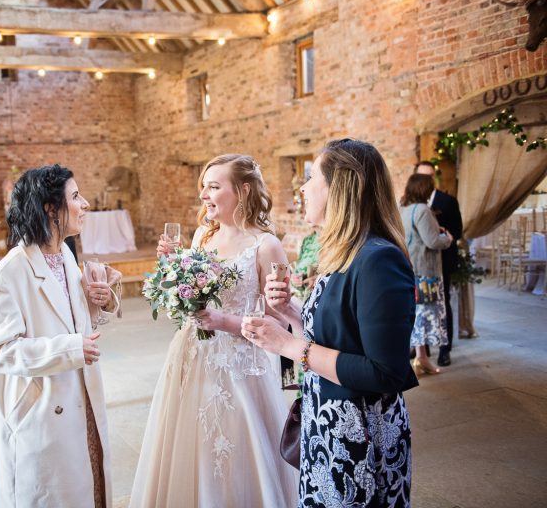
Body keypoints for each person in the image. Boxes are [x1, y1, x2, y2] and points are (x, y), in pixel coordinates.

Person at [242, 139, 418, 506]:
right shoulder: (343, 252)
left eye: (310, 178)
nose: (301, 188)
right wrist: (291, 311)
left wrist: (288, 346)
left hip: (361, 434)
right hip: (328, 422)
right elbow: (341, 337)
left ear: (340, 187)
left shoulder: (378, 260)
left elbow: (386, 372)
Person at [130, 154, 299, 507]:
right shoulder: (201, 238)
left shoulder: (267, 246)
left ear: (244, 190)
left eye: (214, 186)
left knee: (238, 452)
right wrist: (173, 270)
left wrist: (225, 323)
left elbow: (280, 324)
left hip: (241, 371)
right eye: (203, 187)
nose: (204, 195)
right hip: (192, 360)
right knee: (189, 450)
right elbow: (190, 303)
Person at [0, 165, 118, 507]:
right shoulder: (11, 271)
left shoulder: (65, 254)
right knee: (52, 494)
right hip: (42, 410)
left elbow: (70, 320)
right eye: (74, 197)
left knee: (87, 487)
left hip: (79, 398)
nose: (84, 203)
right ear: (49, 208)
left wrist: (97, 301)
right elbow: (1, 351)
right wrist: (70, 348)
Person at [400, 173, 453, 374]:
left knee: (417, 315)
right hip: (425, 272)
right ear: (425, 189)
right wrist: (447, 238)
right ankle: (421, 359)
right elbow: (432, 241)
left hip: (409, 268)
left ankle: (421, 358)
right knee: (424, 317)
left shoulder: (403, 208)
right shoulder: (422, 210)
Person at [415, 161, 463, 366]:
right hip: (420, 263)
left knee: (442, 305)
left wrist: (440, 231)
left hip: (443, 260)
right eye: (421, 176)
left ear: (434, 177)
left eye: (429, 176)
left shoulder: (448, 201)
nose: (426, 180)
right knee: (420, 305)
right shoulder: (411, 203)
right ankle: (421, 350)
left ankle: (445, 349)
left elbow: (458, 231)